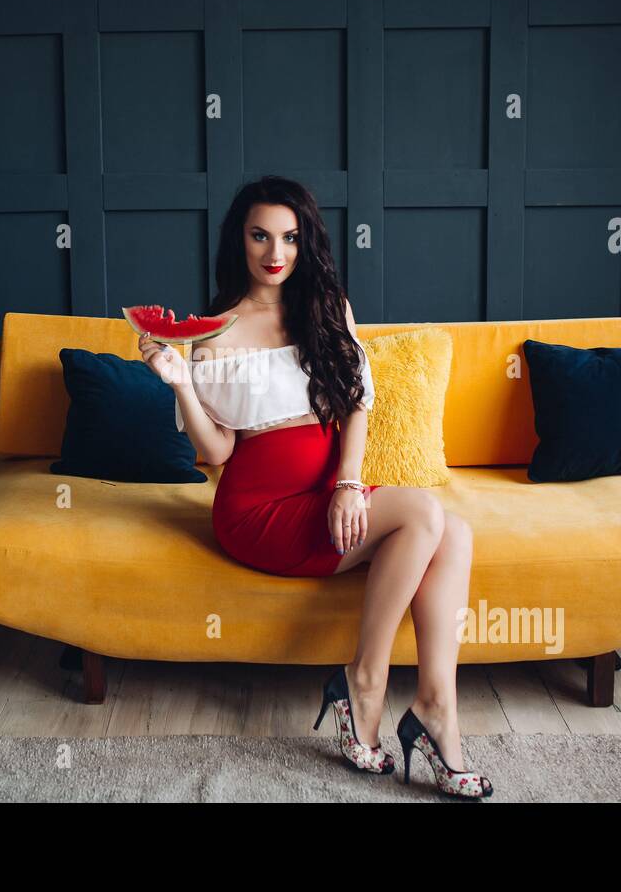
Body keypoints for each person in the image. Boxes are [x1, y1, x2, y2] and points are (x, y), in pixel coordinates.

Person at [138, 176, 492, 798]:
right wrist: (179, 383)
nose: (276, 253)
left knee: (452, 532)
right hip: (256, 510)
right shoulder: (213, 331)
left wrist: (349, 484)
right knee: (424, 515)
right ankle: (365, 682)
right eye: (260, 236)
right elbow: (218, 451)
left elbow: (355, 403)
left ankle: (437, 708)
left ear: (306, 242)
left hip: (327, 492)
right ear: (237, 240)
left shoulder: (327, 307)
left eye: (290, 238)